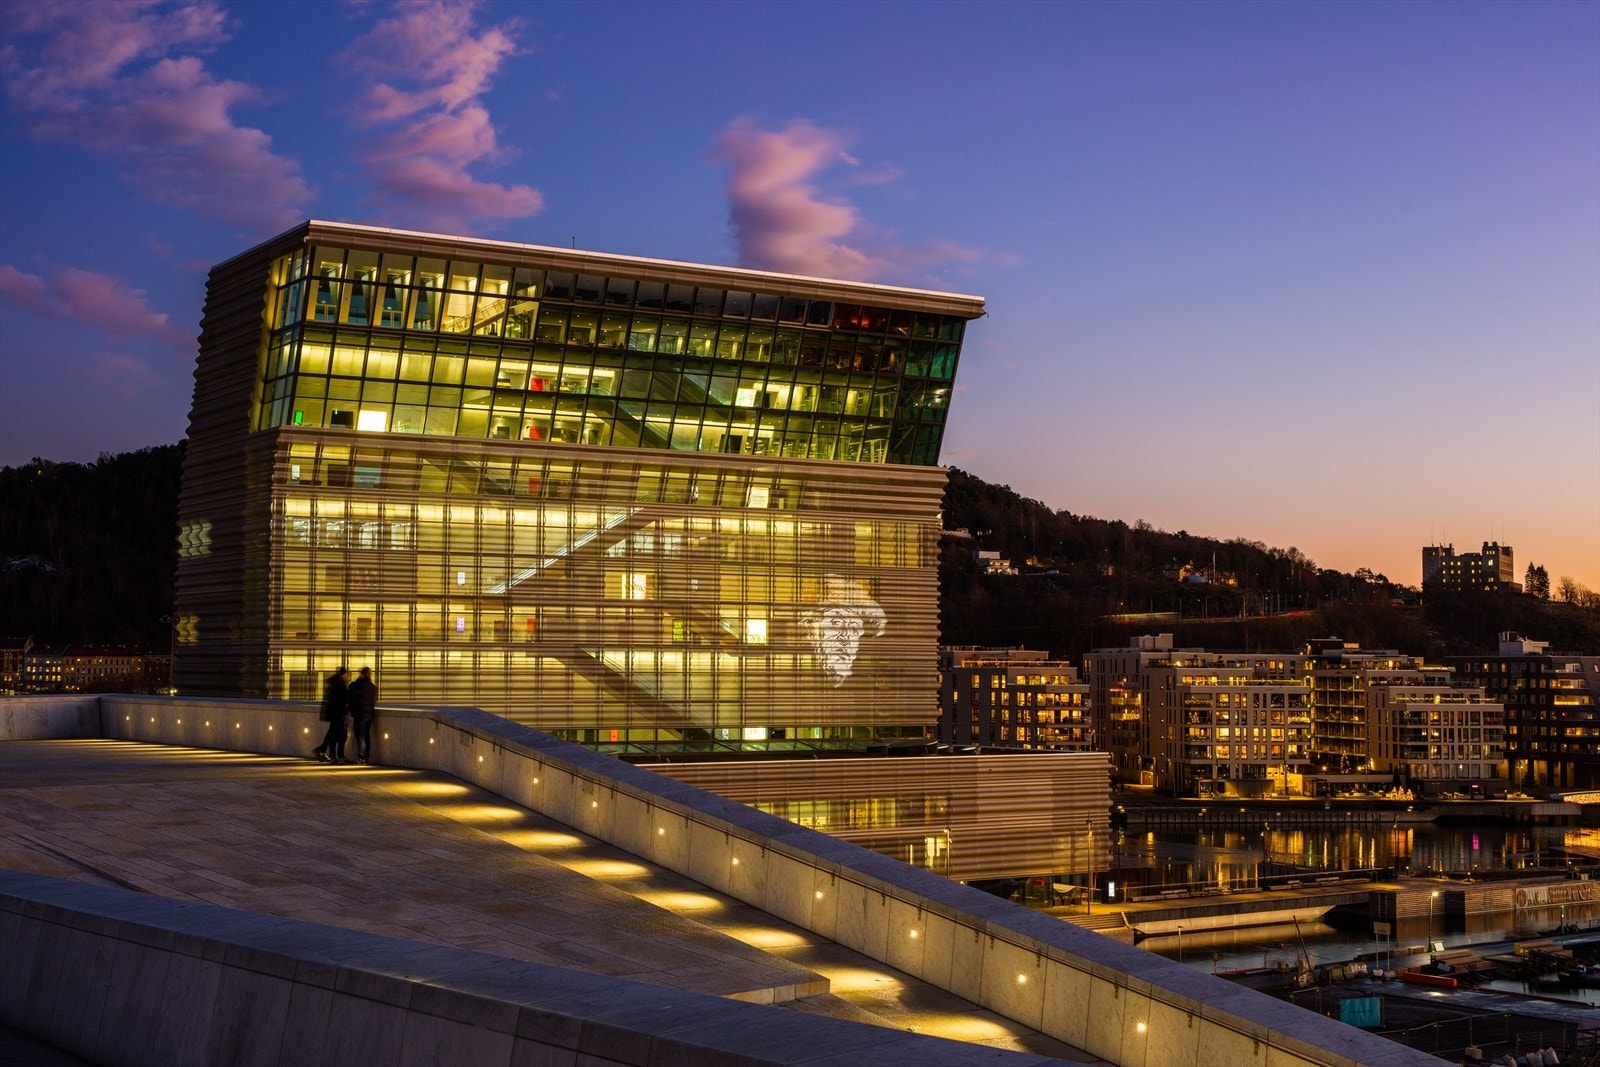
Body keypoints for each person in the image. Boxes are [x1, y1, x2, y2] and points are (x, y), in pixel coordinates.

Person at [314, 666, 349, 763]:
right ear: (344, 674)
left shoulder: (334, 683)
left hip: (334, 713)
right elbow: (343, 699)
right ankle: (324, 752)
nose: (347, 677)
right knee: (336, 735)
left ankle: (323, 752)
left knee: (332, 733)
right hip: (338, 713)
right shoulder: (340, 684)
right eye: (346, 675)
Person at [348, 666, 377, 764]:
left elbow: (353, 695)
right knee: (366, 735)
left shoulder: (359, 685)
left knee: (360, 735)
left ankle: (361, 756)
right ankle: (366, 757)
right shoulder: (373, 686)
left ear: (362, 674)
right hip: (369, 713)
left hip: (360, 713)